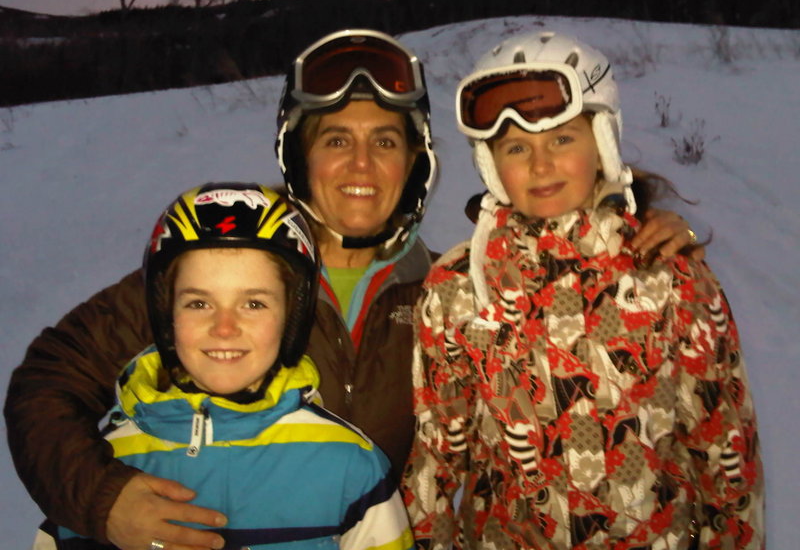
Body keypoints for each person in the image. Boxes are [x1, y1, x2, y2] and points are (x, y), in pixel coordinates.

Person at [5, 29, 699, 550]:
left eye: (386, 141)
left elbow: (563, 359)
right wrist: (101, 500)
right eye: (336, 139)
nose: (361, 164)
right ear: (298, 157)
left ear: (417, 163)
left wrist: (626, 223)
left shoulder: (452, 290)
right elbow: (48, 380)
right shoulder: (225, 265)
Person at [402, 31, 764, 549]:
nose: (540, 164)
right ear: (491, 164)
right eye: (517, 147)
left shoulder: (669, 280)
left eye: (562, 139)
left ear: (603, 143)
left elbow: (725, 454)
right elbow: (437, 458)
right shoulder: (458, 291)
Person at [33, 182, 413, 550]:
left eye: (253, 304)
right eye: (199, 303)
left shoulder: (351, 465)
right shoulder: (104, 467)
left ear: (291, 318)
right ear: (166, 317)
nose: (224, 327)